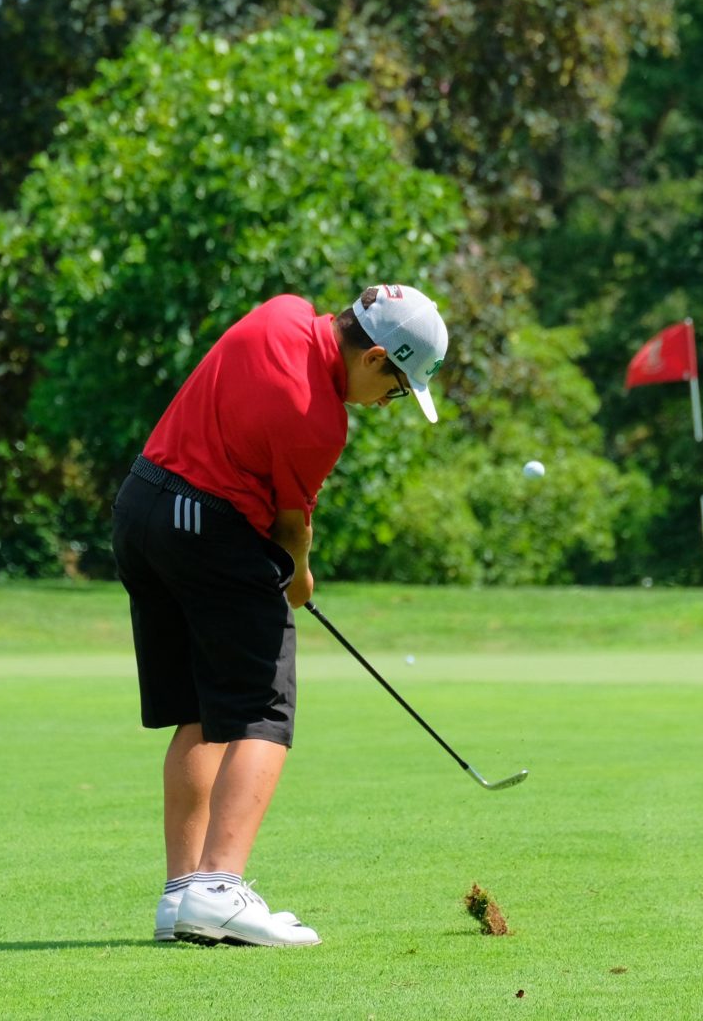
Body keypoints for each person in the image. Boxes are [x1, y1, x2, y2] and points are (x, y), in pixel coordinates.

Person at [110, 284, 450, 947]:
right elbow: (292, 527)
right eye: (396, 388)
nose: (388, 403)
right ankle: (219, 888)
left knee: (200, 711)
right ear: (374, 357)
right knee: (263, 713)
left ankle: (183, 896)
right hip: (207, 526)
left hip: (140, 509)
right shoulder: (320, 421)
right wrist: (299, 577)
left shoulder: (281, 311)